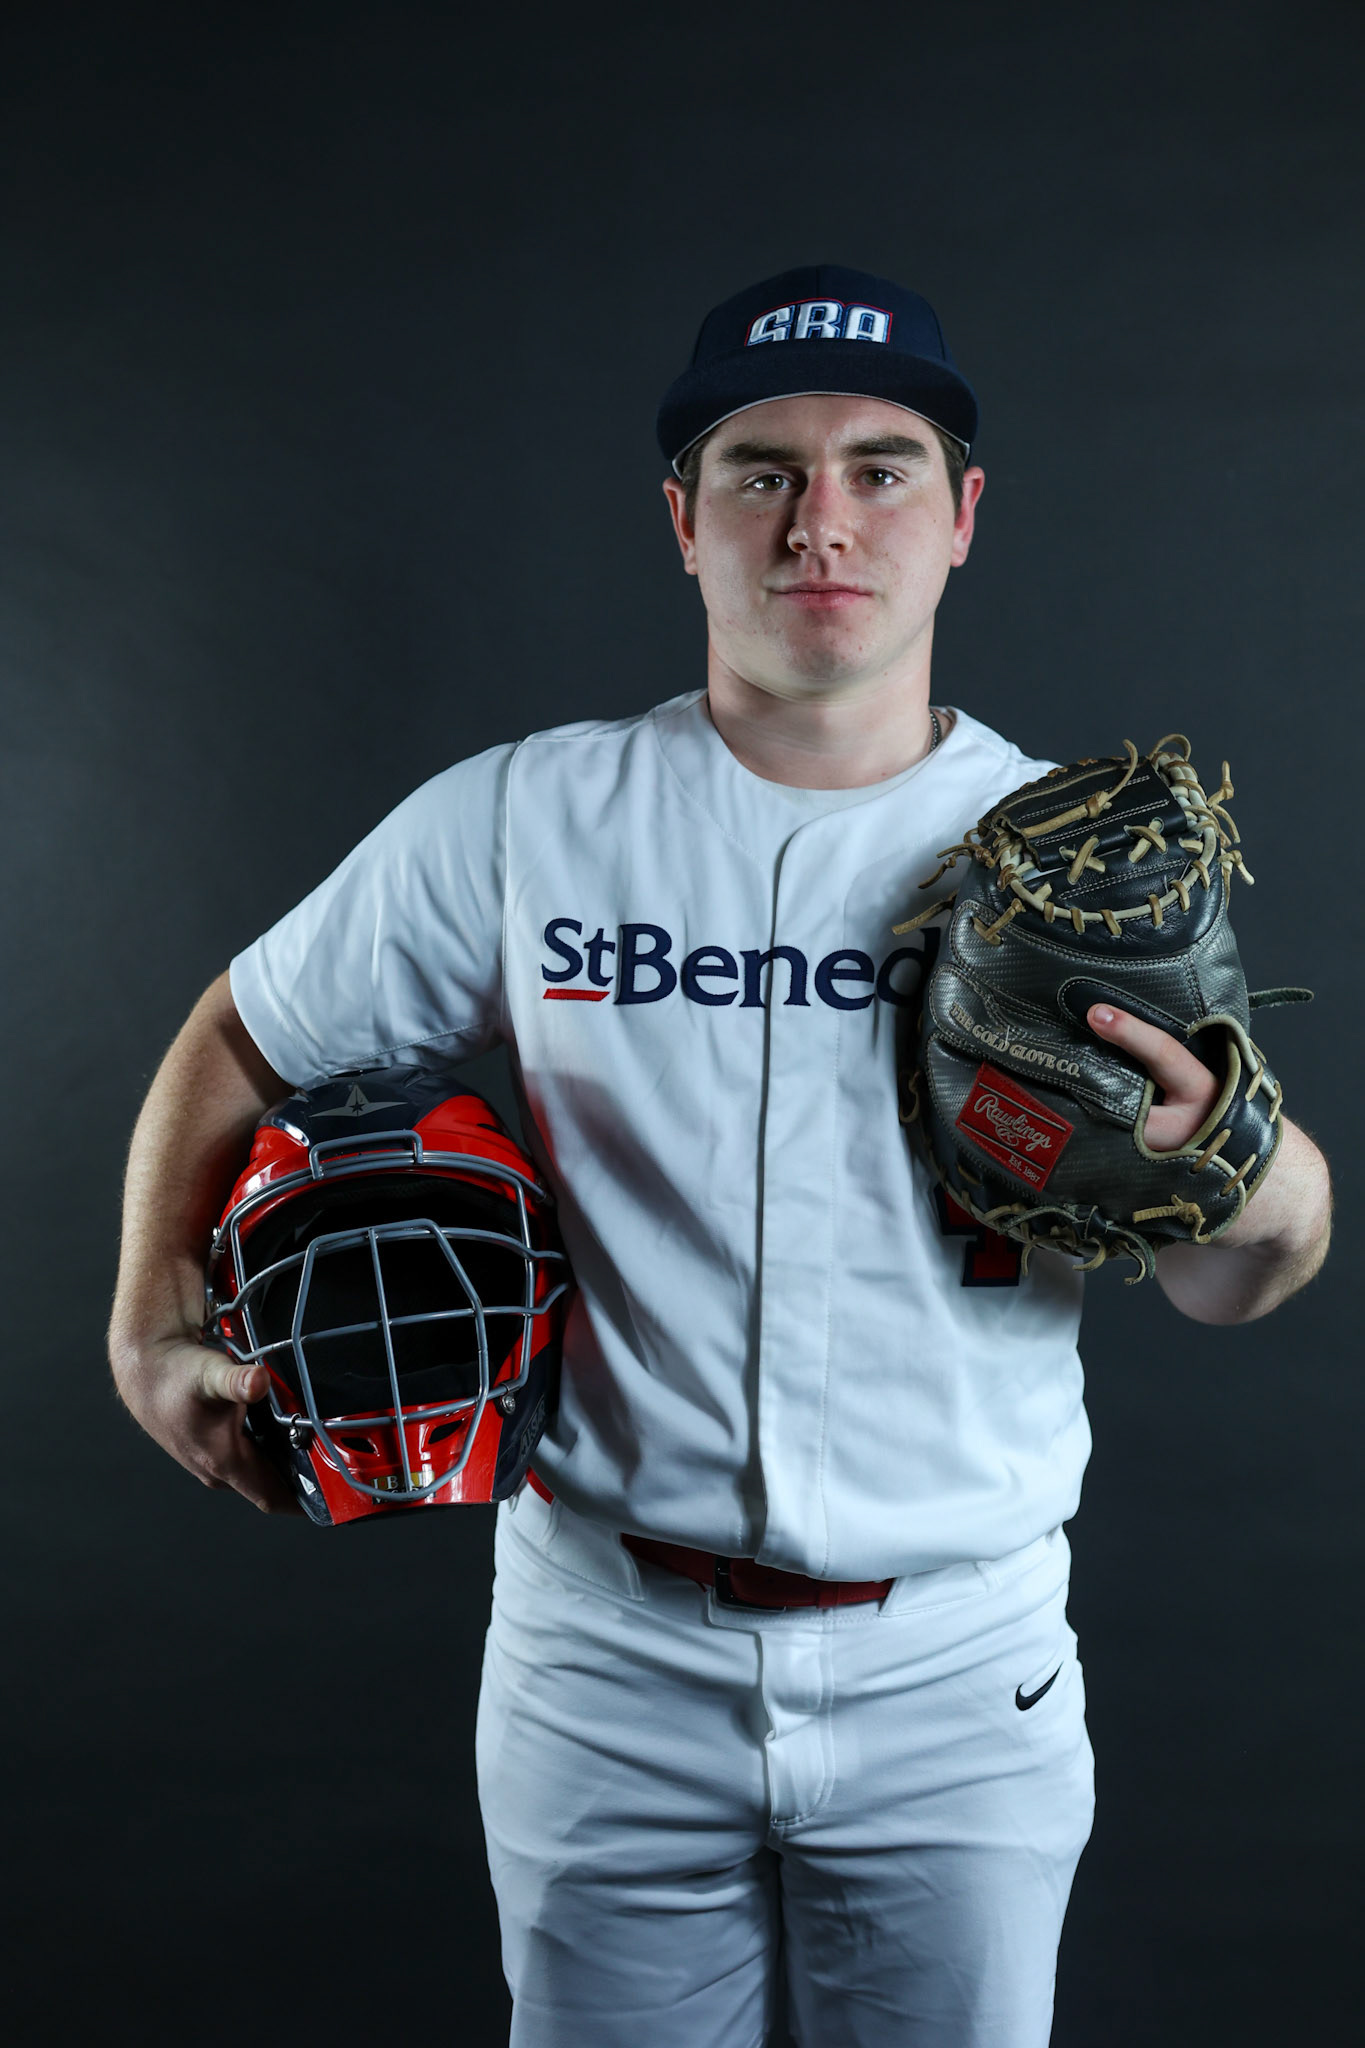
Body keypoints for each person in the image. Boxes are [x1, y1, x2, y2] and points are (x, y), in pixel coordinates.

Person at [109, 264, 1332, 2046]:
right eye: (759, 470)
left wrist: (1246, 1158)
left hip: (953, 1661)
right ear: (682, 520)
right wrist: (147, 1315)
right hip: (604, 1651)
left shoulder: (1076, 866)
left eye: (880, 465)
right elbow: (242, 1030)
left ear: (963, 515)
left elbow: (1244, 1275)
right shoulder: (527, 818)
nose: (819, 519)